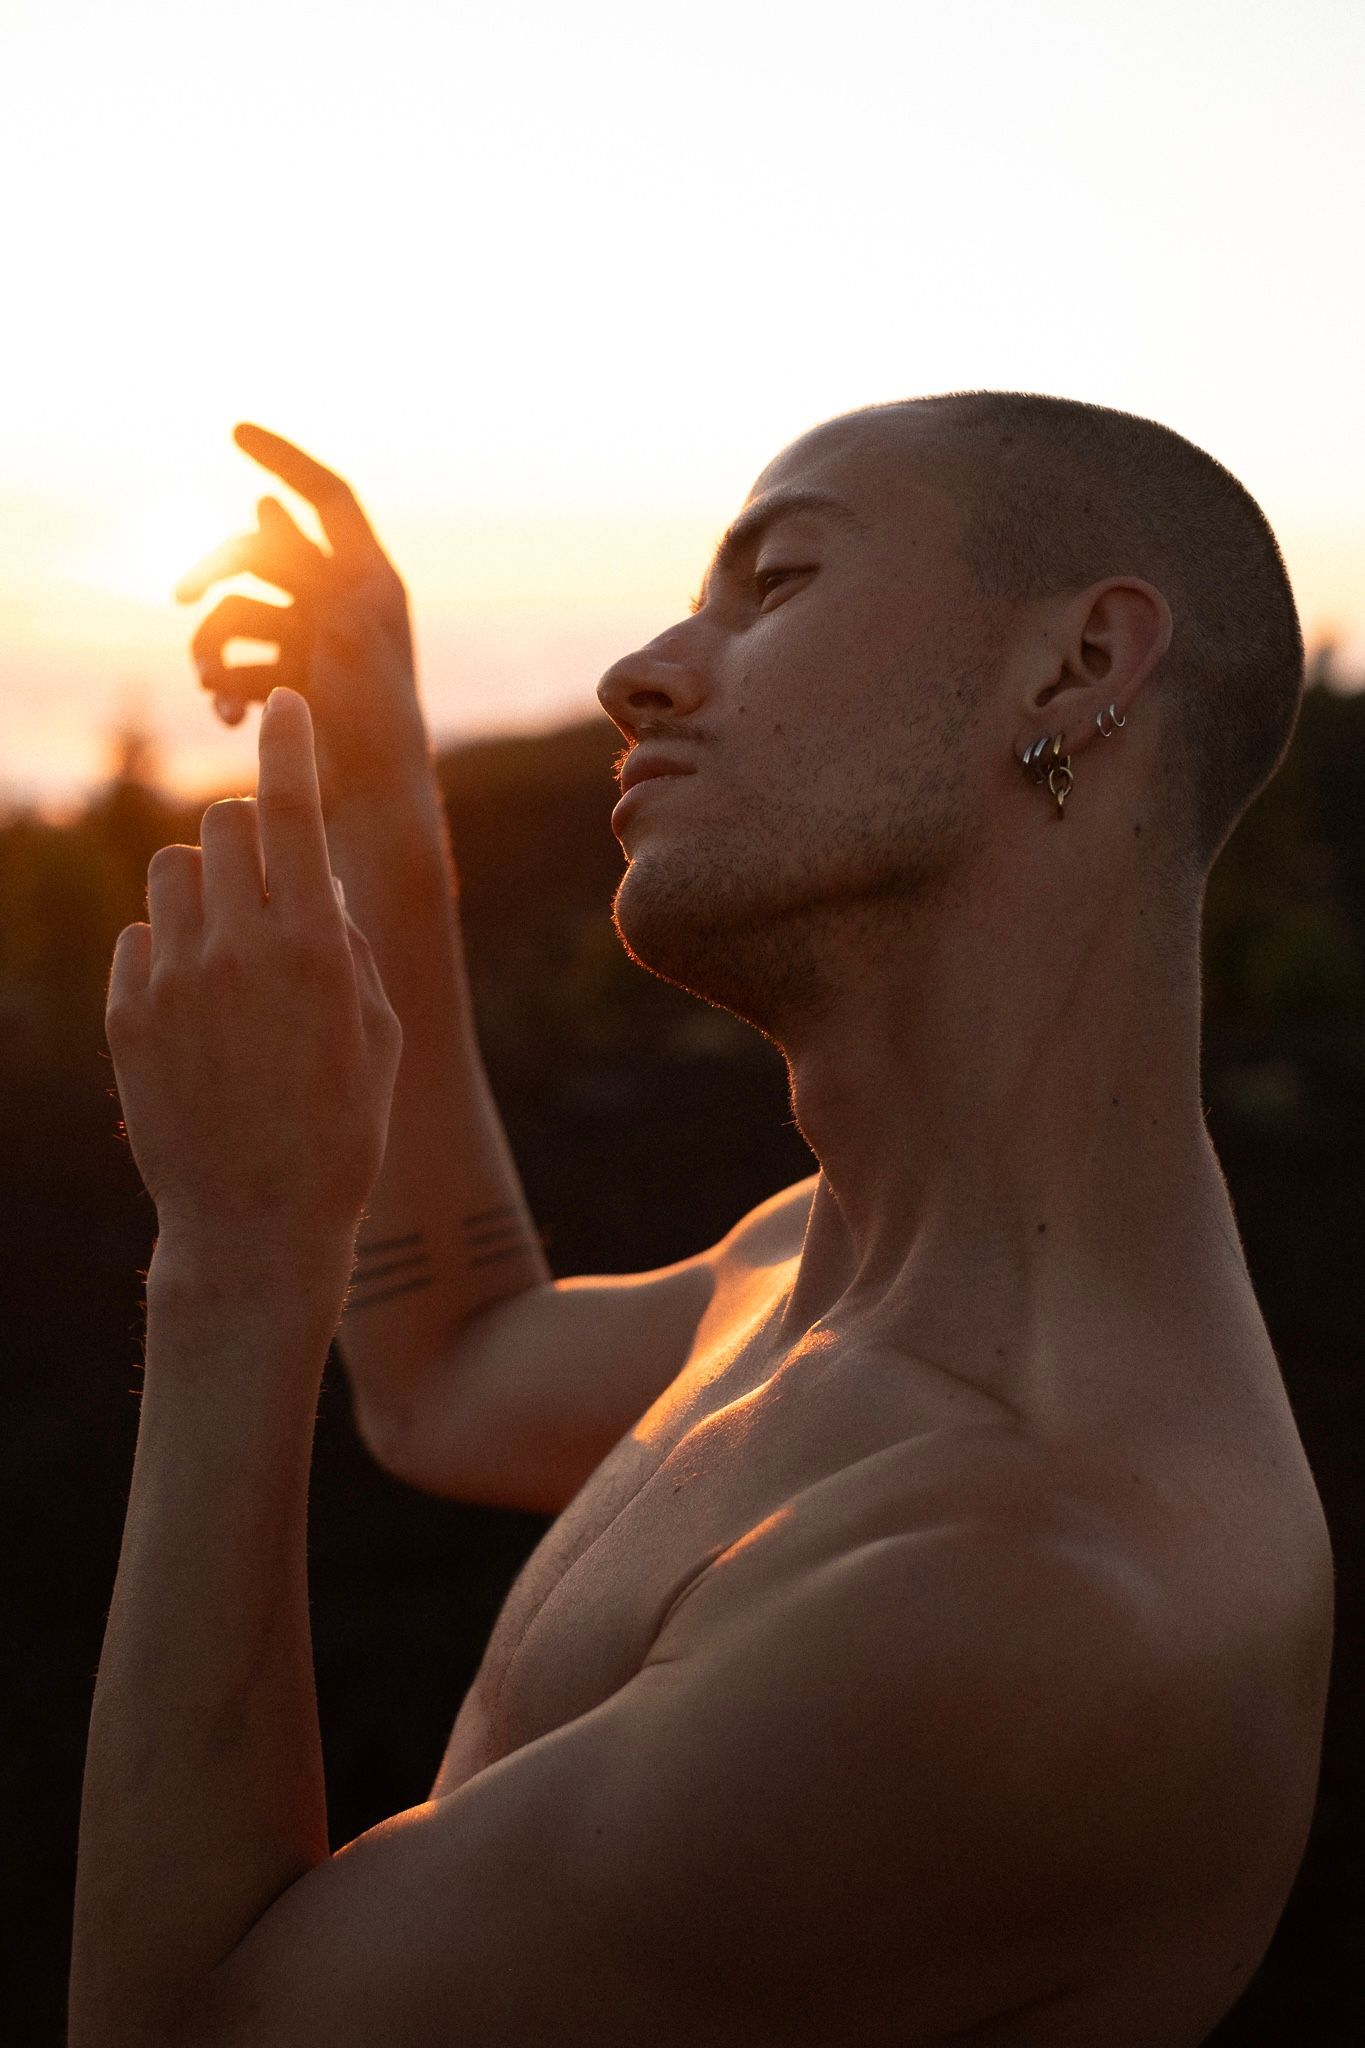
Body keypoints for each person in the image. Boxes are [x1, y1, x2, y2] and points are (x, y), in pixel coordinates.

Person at [71, 395, 1335, 2048]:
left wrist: (237, 1263)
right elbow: (447, 1372)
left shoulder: (1017, 1597)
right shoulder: (812, 1263)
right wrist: (375, 770)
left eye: (776, 581)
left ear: (1076, 666)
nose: (637, 675)